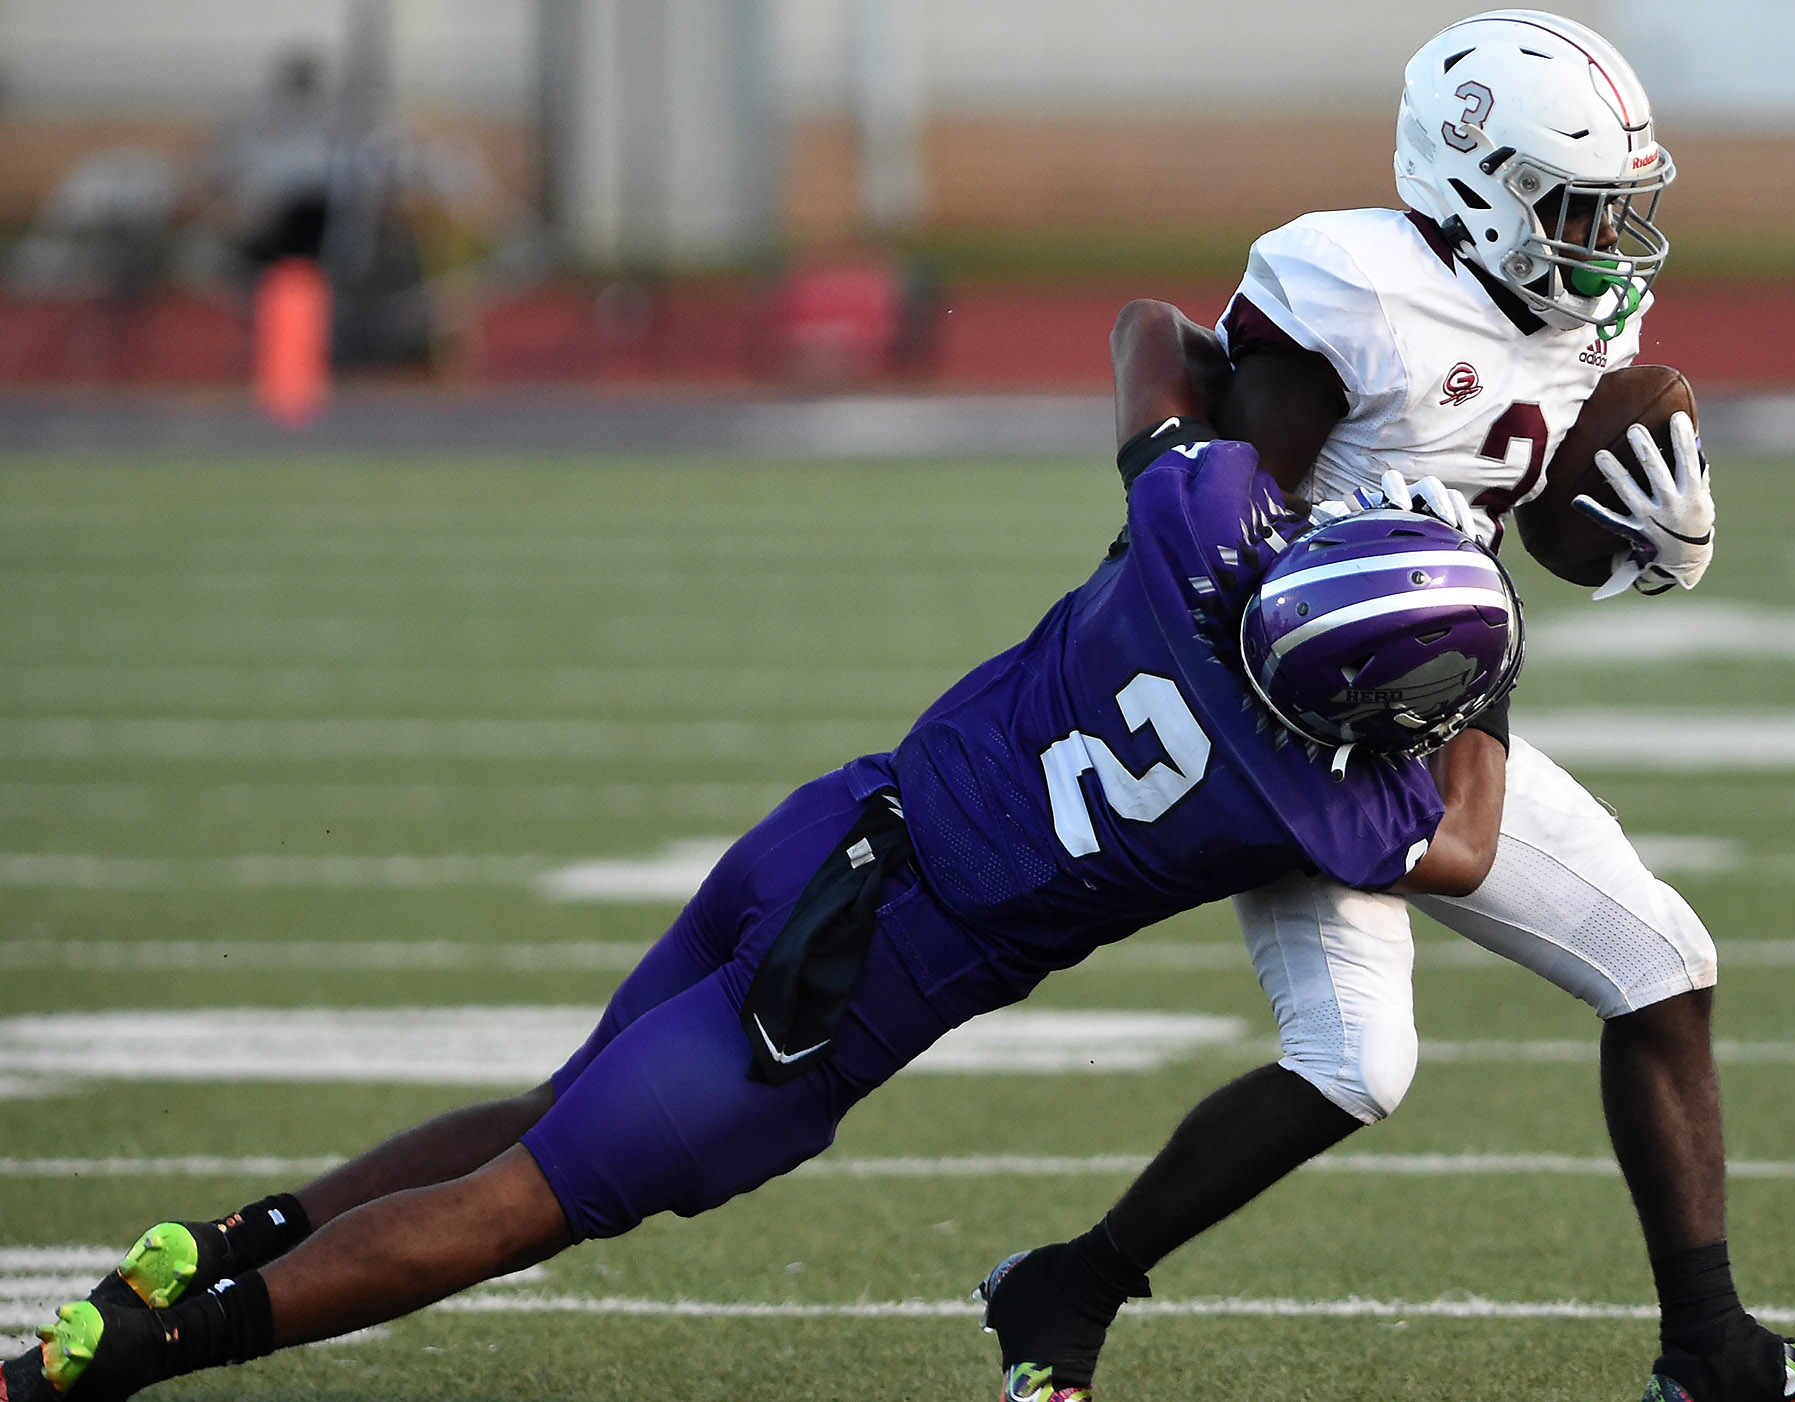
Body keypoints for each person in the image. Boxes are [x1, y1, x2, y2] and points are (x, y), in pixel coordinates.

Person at [2, 366, 1519, 1399]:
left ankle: (225, 1241)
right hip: (834, 999)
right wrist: (1484, 696)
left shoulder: (1197, 527)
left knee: (552, 1107)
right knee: (518, 1205)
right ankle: (137, 1352)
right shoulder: (1311, 796)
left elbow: (1156, 348)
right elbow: (1464, 838)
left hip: (820, 836)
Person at [976, 12, 1795, 1402]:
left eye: (1618, 206)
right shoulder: (1354, 290)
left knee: (1662, 964)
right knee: (1359, 1062)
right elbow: (1218, 516)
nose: (1606, 238)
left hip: (1441, 703)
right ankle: (1071, 1281)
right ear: (1479, 182)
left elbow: (1513, 501)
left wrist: (1654, 535)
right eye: (1577, 206)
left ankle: (1711, 1349)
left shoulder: (1579, 309)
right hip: (1292, 719)